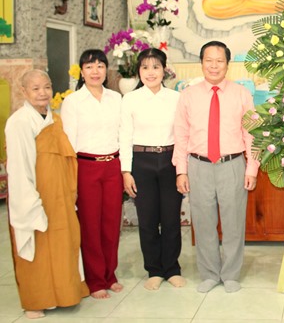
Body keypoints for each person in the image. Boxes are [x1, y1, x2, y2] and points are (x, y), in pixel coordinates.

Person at [173, 40, 259, 293]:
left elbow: (252, 134)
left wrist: (252, 168)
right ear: (201, 63)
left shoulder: (242, 94)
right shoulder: (188, 95)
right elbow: (181, 135)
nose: (214, 65)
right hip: (198, 165)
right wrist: (181, 171)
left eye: (219, 61)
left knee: (233, 223)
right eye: (208, 60)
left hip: (232, 164)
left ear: (227, 64)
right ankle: (209, 273)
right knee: (203, 223)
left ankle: (231, 274)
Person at [6, 70, 89, 319]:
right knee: (38, 248)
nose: (43, 93)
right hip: (35, 196)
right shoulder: (20, 122)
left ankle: (65, 294)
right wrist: (30, 204)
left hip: (59, 195)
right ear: (23, 92)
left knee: (64, 243)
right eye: (35, 89)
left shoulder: (54, 119)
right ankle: (36, 300)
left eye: (46, 87)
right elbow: (19, 168)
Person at [120, 49, 184, 291]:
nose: (150, 72)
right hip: (141, 161)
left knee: (171, 218)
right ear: (139, 71)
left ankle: (172, 269)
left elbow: (182, 134)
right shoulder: (130, 99)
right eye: (145, 67)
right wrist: (126, 171)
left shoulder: (176, 98)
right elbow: (124, 136)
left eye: (156, 67)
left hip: (170, 160)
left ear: (164, 70)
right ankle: (154, 270)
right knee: (147, 219)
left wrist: (182, 169)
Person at [61, 49, 123, 299]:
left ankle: (110, 274)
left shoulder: (116, 98)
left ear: (106, 70)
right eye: (89, 67)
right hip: (86, 167)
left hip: (113, 166)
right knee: (90, 225)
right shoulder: (73, 102)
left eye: (100, 66)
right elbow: (69, 143)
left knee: (111, 224)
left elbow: (123, 134)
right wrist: (71, 178)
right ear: (82, 72)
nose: (95, 71)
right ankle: (95, 280)